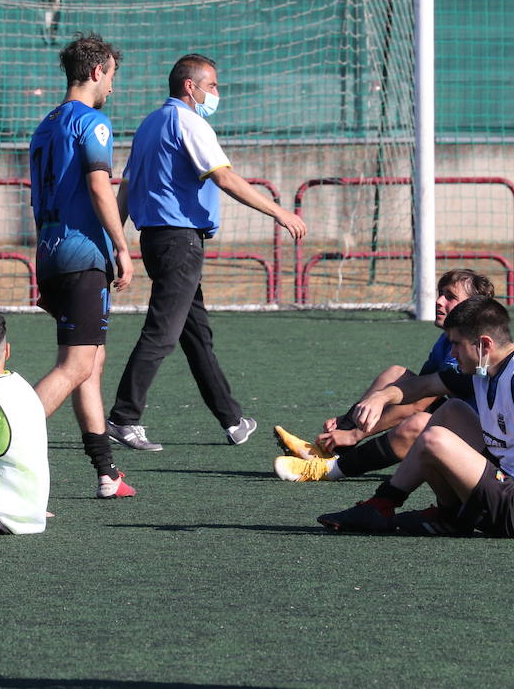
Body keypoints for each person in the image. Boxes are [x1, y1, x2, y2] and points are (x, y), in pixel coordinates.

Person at [106, 54, 306, 452]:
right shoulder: (189, 121)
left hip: (160, 240)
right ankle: (123, 419)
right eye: (212, 85)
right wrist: (279, 211)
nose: (216, 93)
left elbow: (127, 186)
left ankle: (232, 420)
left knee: (196, 335)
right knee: (162, 333)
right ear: (189, 87)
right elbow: (225, 177)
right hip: (179, 241)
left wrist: (119, 239)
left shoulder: (149, 124)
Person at [317, 297, 514, 541]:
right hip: (507, 484)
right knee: (450, 412)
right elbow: (424, 386)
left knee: (433, 437)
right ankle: (403, 508)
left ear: (484, 344)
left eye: (456, 345)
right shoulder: (485, 367)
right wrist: (380, 397)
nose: (452, 353)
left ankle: (400, 509)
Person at [27, 33, 137, 498]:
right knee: (75, 364)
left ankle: (107, 472)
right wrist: (122, 245)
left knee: (90, 359)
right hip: (81, 253)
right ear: (97, 72)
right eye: (112, 74)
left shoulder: (44, 125)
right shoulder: (93, 122)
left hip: (51, 252)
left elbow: (37, 199)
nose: (113, 85)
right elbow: (98, 187)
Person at [272, 268, 494, 482]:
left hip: (489, 452)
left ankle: (330, 468)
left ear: (473, 307)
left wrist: (356, 434)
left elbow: (422, 398)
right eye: (440, 294)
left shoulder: (478, 346)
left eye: (450, 297)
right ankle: (328, 450)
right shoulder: (448, 339)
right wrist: (347, 421)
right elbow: (417, 384)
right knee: (397, 374)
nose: (438, 301)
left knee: (419, 422)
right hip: (463, 423)